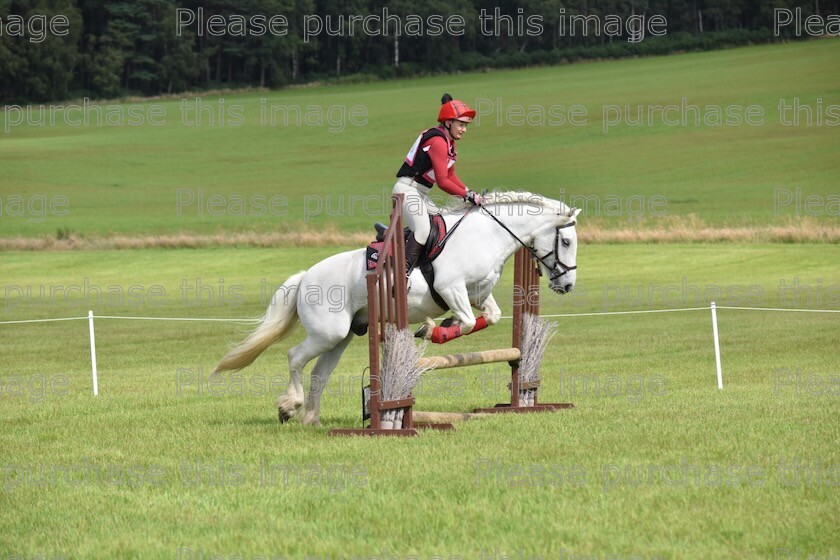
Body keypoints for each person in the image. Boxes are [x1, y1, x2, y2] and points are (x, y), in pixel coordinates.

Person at [394, 93, 483, 278]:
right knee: (424, 229)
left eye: (465, 125)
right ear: (448, 123)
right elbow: (442, 182)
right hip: (407, 190)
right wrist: (467, 196)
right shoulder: (438, 141)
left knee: (442, 224)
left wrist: (468, 191)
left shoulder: (449, 142)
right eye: (461, 124)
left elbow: (451, 174)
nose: (464, 129)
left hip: (420, 193)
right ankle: (402, 273)